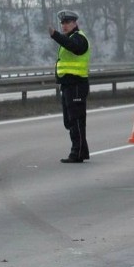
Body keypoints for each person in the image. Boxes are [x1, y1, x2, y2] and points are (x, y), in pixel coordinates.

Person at [49, 9, 91, 163]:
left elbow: (73, 47)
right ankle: (83, 150)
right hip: (68, 84)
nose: (64, 26)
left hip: (77, 84)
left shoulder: (79, 39)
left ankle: (77, 153)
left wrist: (56, 36)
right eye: (62, 23)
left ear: (75, 23)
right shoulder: (69, 38)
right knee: (69, 120)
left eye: (67, 23)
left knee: (76, 120)